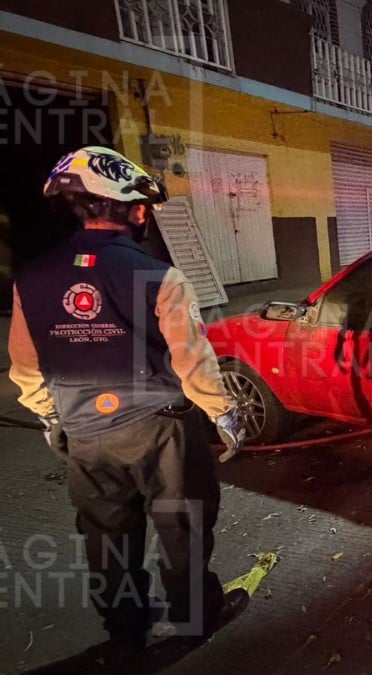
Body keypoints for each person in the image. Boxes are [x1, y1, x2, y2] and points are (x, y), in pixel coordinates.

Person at [7, 146, 247, 649]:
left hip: (86, 435)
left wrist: (52, 417)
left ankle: (125, 630)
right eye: (144, 208)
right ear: (134, 209)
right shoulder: (161, 277)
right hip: (162, 432)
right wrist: (224, 414)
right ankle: (195, 619)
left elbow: (26, 366)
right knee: (183, 529)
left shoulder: (31, 279)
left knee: (107, 541)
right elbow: (192, 360)